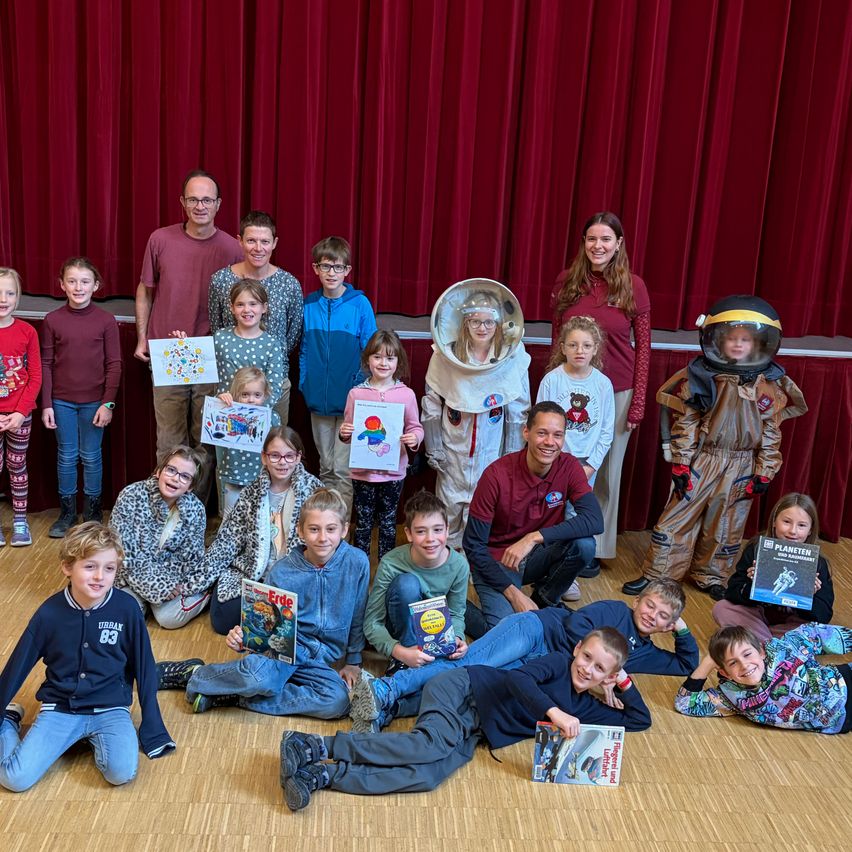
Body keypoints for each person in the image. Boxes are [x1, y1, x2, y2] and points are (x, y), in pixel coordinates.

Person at [279, 627, 650, 810]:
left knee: (428, 775)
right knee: (428, 745)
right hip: (464, 689)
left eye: (599, 668)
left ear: (607, 678)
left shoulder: (586, 703)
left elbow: (639, 720)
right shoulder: (556, 663)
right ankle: (313, 745)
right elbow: (520, 679)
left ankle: (323, 775)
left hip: (476, 728)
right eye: (586, 657)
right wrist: (555, 713)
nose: (587, 669)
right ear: (576, 650)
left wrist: (624, 681)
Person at [624, 295, 807, 599]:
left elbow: (771, 432)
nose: (737, 344)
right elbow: (688, 421)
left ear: (760, 344)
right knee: (678, 515)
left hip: (742, 463)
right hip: (703, 459)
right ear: (716, 342)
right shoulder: (702, 376)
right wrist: (682, 462)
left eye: (745, 340)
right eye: (731, 338)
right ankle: (658, 574)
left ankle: (712, 576)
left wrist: (765, 472)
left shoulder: (767, 385)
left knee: (726, 523)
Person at [350, 578, 696, 731]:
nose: (653, 615)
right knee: (471, 661)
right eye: (650, 605)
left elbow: (686, 663)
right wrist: (604, 679)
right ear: (638, 601)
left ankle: (386, 710)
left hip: (538, 669)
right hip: (536, 631)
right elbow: (576, 628)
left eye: (663, 615)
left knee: (470, 682)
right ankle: (386, 689)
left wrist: (680, 626)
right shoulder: (616, 611)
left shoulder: (647, 652)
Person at [161, 489, 369, 720]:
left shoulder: (357, 562)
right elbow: (263, 625)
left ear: (344, 529)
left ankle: (232, 694)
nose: (323, 538)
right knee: (258, 677)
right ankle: (196, 675)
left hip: (321, 660)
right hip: (284, 651)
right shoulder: (282, 572)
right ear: (300, 531)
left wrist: (353, 660)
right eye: (314, 529)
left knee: (337, 702)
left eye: (331, 529)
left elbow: (358, 613)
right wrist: (244, 640)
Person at [0, 523, 174, 792]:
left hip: (111, 708)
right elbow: (17, 666)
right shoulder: (48, 614)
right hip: (60, 708)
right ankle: (8, 722)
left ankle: (89, 739)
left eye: (109, 568)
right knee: (14, 779)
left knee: (121, 774)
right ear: (68, 567)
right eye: (90, 566)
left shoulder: (127, 609)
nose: (99, 577)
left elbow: (145, 666)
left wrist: (153, 725)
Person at [134, 169, 242, 501]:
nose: (200, 205)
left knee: (205, 438)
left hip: (210, 354)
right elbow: (145, 290)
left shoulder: (232, 249)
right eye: (193, 199)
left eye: (206, 199)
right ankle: (166, 507)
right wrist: (142, 339)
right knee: (169, 438)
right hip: (168, 351)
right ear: (182, 202)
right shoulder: (160, 239)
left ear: (218, 204)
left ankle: (194, 510)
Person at [552, 212, 650, 575]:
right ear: (584, 243)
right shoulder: (568, 282)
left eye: (606, 239)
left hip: (617, 389)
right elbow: (556, 338)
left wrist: (637, 400)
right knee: (565, 464)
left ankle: (594, 545)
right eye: (592, 239)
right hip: (571, 387)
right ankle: (562, 540)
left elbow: (644, 347)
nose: (598, 246)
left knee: (606, 470)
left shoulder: (633, 286)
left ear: (618, 244)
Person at [463, 401, 602, 634]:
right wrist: (514, 595)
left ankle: (543, 601)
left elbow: (595, 520)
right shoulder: (495, 475)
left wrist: (534, 537)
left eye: (558, 435)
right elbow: (473, 547)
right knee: (504, 633)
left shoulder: (568, 466)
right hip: (497, 562)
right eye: (542, 433)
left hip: (535, 554)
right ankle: (450, 606)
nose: (550, 442)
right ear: (526, 432)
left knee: (584, 545)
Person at [422, 281, 530, 549]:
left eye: (489, 322)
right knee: (447, 508)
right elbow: (432, 405)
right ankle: (444, 562)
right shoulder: (446, 355)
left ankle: (474, 564)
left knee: (482, 513)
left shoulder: (511, 358)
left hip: (489, 453)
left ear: (499, 324)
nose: (482, 328)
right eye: (475, 321)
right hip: (453, 452)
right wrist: (435, 448)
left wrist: (513, 454)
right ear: (465, 323)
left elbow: (518, 410)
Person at [184, 427, 322, 635]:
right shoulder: (251, 493)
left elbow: (326, 542)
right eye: (275, 455)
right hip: (256, 575)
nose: (282, 462)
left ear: (298, 457)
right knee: (222, 620)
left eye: (289, 455)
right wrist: (194, 582)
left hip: (296, 577)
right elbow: (227, 542)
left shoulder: (313, 490)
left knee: (305, 618)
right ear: (264, 457)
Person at [41, 257, 122, 536]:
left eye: (85, 281)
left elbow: (114, 364)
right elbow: (46, 364)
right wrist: (47, 404)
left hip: (94, 403)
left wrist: (107, 403)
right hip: (62, 402)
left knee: (91, 456)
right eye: (72, 281)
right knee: (66, 456)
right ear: (62, 285)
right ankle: (66, 513)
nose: (78, 287)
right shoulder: (52, 320)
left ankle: (92, 511)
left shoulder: (106, 321)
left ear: (95, 285)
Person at [299, 236, 377, 511]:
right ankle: (324, 522)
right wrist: (305, 381)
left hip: (349, 402)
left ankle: (340, 524)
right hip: (318, 399)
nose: (331, 273)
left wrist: (358, 388)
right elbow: (305, 348)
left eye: (337, 267)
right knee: (325, 465)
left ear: (347, 271)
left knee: (343, 468)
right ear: (315, 268)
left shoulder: (359, 304)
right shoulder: (308, 305)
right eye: (325, 266)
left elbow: (371, 351)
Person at [209, 210, 303, 426]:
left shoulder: (289, 284)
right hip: (230, 388)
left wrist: (269, 367)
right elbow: (217, 325)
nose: (258, 248)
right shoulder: (220, 280)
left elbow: (293, 334)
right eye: (251, 240)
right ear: (240, 241)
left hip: (274, 384)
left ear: (274, 243)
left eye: (264, 241)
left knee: (272, 449)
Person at [362, 491, 469, 677]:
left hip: (434, 631)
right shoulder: (391, 563)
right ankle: (406, 659)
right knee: (407, 584)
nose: (430, 539)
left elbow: (456, 613)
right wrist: (399, 651)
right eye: (421, 531)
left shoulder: (459, 565)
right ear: (408, 534)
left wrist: (457, 638)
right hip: (397, 627)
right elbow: (372, 622)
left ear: (447, 529)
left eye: (437, 529)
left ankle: (424, 660)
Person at [675, 623, 852, 734]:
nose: (744, 665)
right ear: (725, 673)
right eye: (733, 663)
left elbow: (816, 633)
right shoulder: (729, 697)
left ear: (761, 652)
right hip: (841, 720)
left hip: (844, 681)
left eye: (747, 654)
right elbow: (683, 703)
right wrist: (707, 662)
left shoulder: (783, 648)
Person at [339, 330, 423, 561]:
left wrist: (414, 438)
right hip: (362, 472)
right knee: (363, 523)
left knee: (388, 523)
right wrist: (344, 433)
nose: (383, 363)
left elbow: (416, 427)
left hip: (393, 472)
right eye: (377, 357)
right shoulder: (356, 394)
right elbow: (348, 429)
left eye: (390, 358)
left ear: (398, 362)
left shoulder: (406, 395)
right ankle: (362, 568)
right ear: (368, 360)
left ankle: (386, 568)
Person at [109, 446, 210, 629]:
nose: (175, 478)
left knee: (168, 619)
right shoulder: (131, 496)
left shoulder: (195, 510)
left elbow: (189, 559)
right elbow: (123, 554)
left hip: (170, 578)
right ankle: (144, 602)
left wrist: (168, 584)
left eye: (185, 476)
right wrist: (156, 585)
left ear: (191, 487)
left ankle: (205, 593)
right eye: (171, 470)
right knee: (126, 615)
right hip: (131, 575)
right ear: (158, 471)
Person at [713, 493, 833, 643]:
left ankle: (759, 641)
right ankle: (773, 645)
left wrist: (810, 595)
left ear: (810, 530)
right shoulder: (756, 549)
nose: (793, 531)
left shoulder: (818, 563)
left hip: (791, 623)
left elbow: (824, 615)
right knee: (721, 608)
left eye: (801, 525)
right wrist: (752, 585)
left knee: (817, 631)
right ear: (775, 521)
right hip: (757, 616)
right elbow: (732, 593)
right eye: (787, 522)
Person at [212, 280, 285, 513]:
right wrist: (183, 343)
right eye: (240, 304)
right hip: (224, 419)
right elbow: (205, 370)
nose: (247, 309)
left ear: (264, 307)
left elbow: (274, 384)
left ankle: (259, 522)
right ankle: (228, 520)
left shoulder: (272, 344)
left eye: (253, 303)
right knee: (226, 472)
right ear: (232, 308)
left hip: (260, 422)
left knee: (260, 473)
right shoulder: (220, 339)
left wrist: (252, 412)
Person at [537, 316, 614, 488]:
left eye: (587, 346)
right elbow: (539, 423)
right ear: (563, 348)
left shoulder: (603, 385)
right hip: (553, 458)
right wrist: (548, 460)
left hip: (586, 462)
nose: (580, 351)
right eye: (573, 345)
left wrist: (592, 466)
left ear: (595, 349)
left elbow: (606, 431)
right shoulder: (552, 381)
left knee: (576, 510)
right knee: (550, 508)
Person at [0, 267, 41, 546]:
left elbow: (36, 376)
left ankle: (19, 521)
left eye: (10, 292)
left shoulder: (27, 331)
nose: (3, 298)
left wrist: (20, 412)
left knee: (17, 466)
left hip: (19, 415)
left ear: (18, 297)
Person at [215, 366, 276, 514]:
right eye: (245, 394)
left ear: (265, 395)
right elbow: (210, 421)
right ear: (236, 394)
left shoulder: (272, 418)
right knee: (229, 520)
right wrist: (220, 401)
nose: (251, 400)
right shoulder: (227, 412)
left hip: (260, 478)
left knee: (258, 518)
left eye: (257, 395)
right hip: (232, 476)